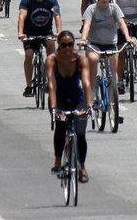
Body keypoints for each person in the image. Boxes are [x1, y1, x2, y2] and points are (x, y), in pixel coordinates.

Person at [47, 30, 92, 181]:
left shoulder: (81, 59)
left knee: (80, 133)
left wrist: (89, 104)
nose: (67, 49)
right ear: (58, 46)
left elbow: (86, 83)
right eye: (63, 45)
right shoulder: (52, 59)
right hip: (59, 100)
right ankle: (58, 161)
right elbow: (52, 86)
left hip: (77, 99)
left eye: (70, 45)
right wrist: (54, 109)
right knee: (61, 126)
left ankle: (82, 167)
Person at [79, 0, 134, 98]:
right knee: (93, 60)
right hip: (95, 45)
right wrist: (83, 39)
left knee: (112, 75)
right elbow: (87, 25)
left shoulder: (114, 8)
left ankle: (112, 105)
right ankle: (93, 89)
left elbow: (122, 23)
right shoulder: (91, 9)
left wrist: (128, 38)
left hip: (110, 44)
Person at [18, 0, 63, 96]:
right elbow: (22, 16)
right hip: (30, 32)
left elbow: (57, 16)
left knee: (51, 50)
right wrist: (20, 33)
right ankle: (28, 86)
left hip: (46, 31)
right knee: (28, 55)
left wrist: (59, 31)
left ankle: (51, 80)